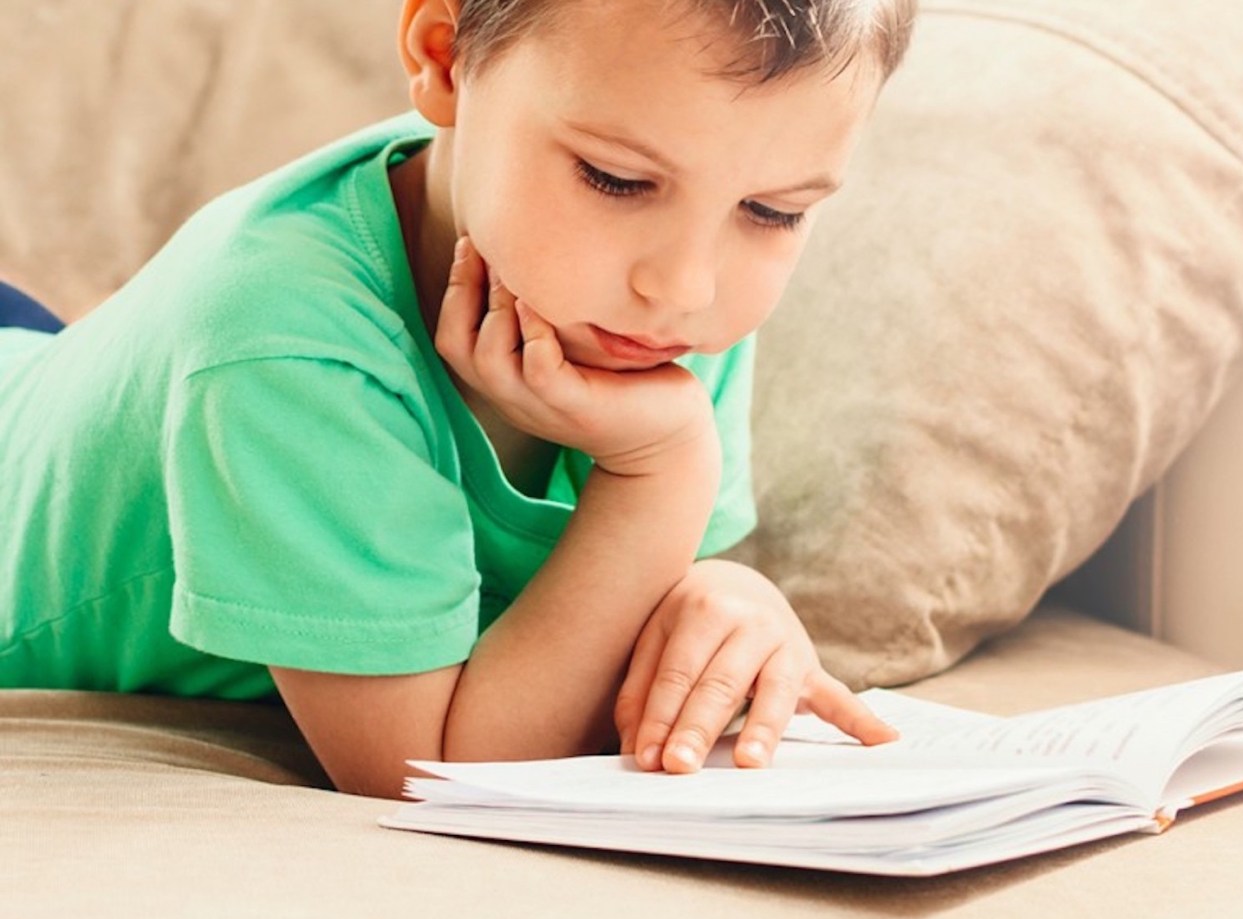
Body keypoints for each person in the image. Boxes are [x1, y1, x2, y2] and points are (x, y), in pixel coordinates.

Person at [0, 0, 915, 798]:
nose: (685, 285)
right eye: (616, 180)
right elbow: (434, 770)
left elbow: (635, 601)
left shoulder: (649, 312)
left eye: (774, 212)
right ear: (443, 57)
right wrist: (662, 473)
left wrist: (728, 598)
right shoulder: (287, 343)